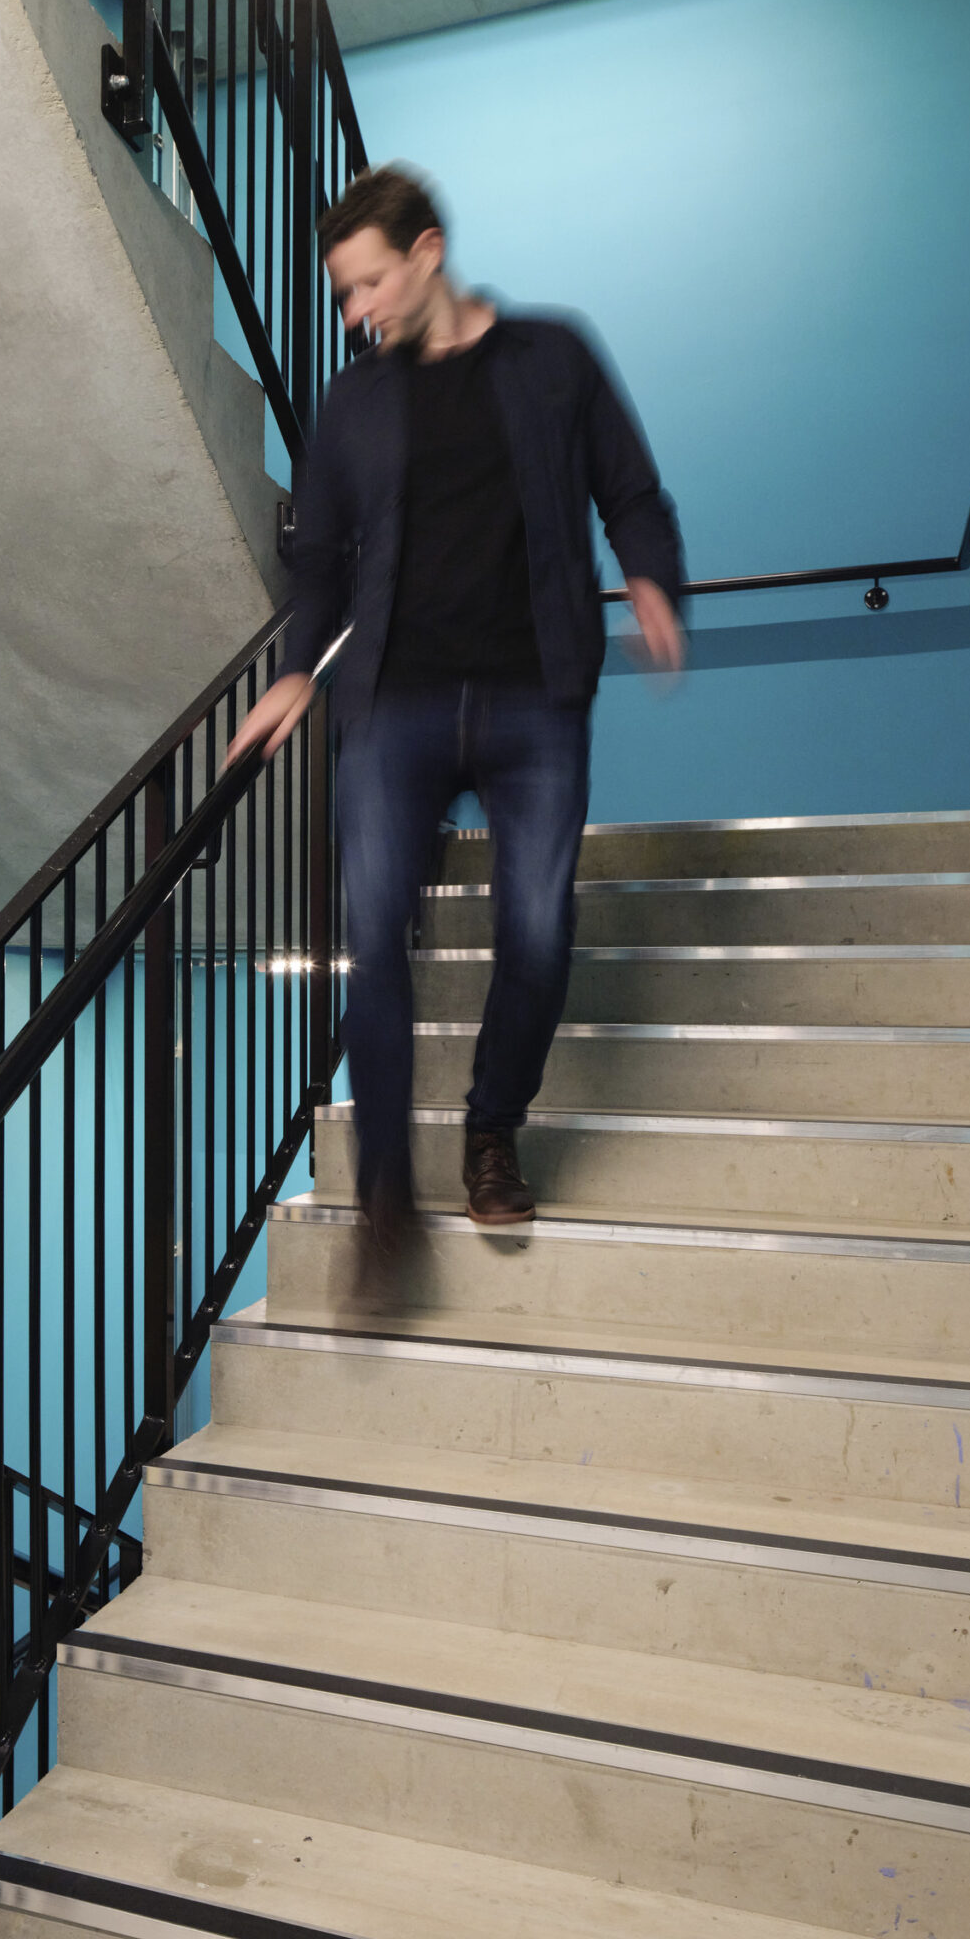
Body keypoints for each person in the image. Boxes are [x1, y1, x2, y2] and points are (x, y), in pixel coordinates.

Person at [227, 164, 685, 1259]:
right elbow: (323, 563)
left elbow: (629, 488)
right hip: (396, 703)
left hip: (535, 698)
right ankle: (386, 1194)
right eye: (343, 294)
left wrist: (652, 578)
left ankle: (491, 1133)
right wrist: (298, 669)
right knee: (374, 942)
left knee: (537, 932)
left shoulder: (553, 358)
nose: (357, 311)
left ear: (427, 253)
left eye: (369, 284)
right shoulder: (355, 403)